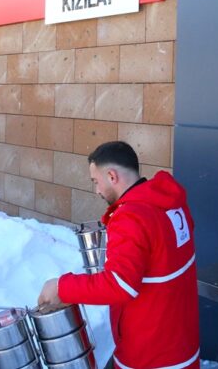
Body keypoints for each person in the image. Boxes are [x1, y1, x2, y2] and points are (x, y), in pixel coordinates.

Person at [38, 141, 200, 369]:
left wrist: (61, 287)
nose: (96, 190)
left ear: (112, 176)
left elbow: (120, 285)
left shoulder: (131, 218)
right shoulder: (169, 203)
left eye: (96, 181)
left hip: (150, 355)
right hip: (181, 347)